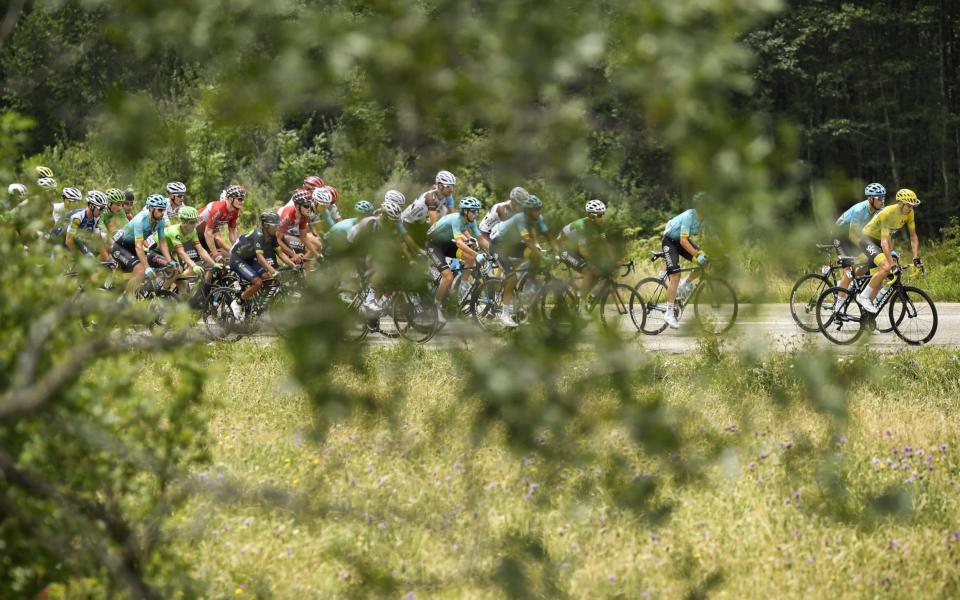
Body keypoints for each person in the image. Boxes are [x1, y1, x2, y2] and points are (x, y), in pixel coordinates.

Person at [855, 188, 924, 313]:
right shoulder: (888, 213)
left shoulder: (909, 213)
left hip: (882, 241)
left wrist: (916, 258)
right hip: (867, 239)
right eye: (908, 205)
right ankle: (863, 296)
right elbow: (884, 242)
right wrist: (891, 265)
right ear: (901, 203)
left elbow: (913, 237)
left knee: (881, 278)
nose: (911, 208)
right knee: (887, 267)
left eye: (913, 206)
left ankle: (868, 319)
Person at [489, 194, 551, 327]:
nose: (539, 212)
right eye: (536, 209)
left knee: (534, 255)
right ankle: (504, 316)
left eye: (539, 209)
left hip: (512, 245)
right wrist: (541, 254)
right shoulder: (520, 218)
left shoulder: (537, 218)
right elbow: (527, 239)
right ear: (528, 211)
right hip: (498, 245)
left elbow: (540, 235)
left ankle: (528, 281)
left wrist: (553, 251)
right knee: (512, 279)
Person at [426, 196, 487, 322]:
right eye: (474, 211)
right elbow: (459, 243)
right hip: (433, 245)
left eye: (477, 211)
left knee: (469, 258)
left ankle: (462, 289)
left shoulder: (471, 221)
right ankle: (435, 307)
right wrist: (477, 254)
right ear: (465, 211)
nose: (476, 214)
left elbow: (481, 239)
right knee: (448, 277)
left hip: (446, 243)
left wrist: (494, 252)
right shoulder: (457, 219)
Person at [230, 211, 297, 311]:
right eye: (275, 226)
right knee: (258, 282)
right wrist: (273, 271)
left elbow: (280, 253)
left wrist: (294, 266)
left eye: (278, 225)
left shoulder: (272, 235)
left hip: (250, 259)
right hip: (238, 259)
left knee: (268, 278)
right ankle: (238, 302)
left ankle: (259, 304)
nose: (277, 228)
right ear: (266, 225)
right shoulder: (258, 234)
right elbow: (260, 257)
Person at [661, 195, 708, 329]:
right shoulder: (689, 215)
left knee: (706, 261)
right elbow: (683, 241)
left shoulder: (705, 219)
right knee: (675, 275)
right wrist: (697, 254)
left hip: (683, 242)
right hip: (670, 241)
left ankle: (684, 285)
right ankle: (669, 313)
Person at [111, 194, 173, 295]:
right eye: (160, 210)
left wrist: (169, 260)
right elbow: (139, 246)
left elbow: (163, 242)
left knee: (151, 269)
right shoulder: (140, 220)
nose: (163, 213)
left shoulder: (160, 221)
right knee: (141, 271)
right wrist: (146, 267)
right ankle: (126, 301)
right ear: (151, 209)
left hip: (133, 247)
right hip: (120, 246)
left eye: (164, 210)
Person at [834, 183, 886, 294]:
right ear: (870, 199)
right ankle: (841, 294)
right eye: (879, 198)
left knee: (866, 262)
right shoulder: (859, 210)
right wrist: (866, 248)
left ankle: (844, 285)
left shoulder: (878, 210)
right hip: (840, 235)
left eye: (883, 197)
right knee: (848, 271)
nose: (882, 200)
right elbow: (851, 236)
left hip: (856, 234)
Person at [558, 199, 609, 303]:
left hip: (575, 249)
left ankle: (583, 294)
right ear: (591, 216)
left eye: (603, 214)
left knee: (599, 271)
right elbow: (582, 251)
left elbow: (605, 244)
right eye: (599, 215)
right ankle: (581, 307)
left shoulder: (599, 226)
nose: (602, 218)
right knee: (589, 270)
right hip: (564, 250)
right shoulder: (581, 226)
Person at [401, 170, 457, 244]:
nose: (452, 190)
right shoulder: (430, 198)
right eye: (449, 187)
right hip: (407, 223)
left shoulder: (445, 195)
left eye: (453, 186)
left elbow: (453, 217)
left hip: (420, 222)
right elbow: (435, 225)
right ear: (440, 186)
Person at [196, 184, 245, 261]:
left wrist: (238, 250)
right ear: (230, 199)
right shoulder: (218, 209)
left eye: (243, 199)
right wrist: (216, 255)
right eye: (240, 199)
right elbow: (208, 233)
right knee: (211, 259)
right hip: (193, 234)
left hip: (207, 235)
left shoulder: (235, 211)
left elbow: (232, 233)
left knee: (222, 259)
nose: (242, 202)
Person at [63, 190, 108, 258]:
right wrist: (82, 259)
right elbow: (68, 241)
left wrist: (107, 260)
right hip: (62, 239)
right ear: (91, 206)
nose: (102, 211)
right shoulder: (77, 218)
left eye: (104, 208)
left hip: (76, 239)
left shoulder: (96, 218)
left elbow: (98, 239)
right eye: (101, 208)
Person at [276, 188, 317, 261]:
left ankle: (299, 267)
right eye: (306, 206)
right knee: (301, 251)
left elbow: (303, 237)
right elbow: (277, 240)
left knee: (310, 249)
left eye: (310, 205)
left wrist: (317, 255)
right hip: (274, 238)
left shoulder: (304, 215)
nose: (309, 209)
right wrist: (293, 254)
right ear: (297, 206)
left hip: (285, 234)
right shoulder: (288, 216)